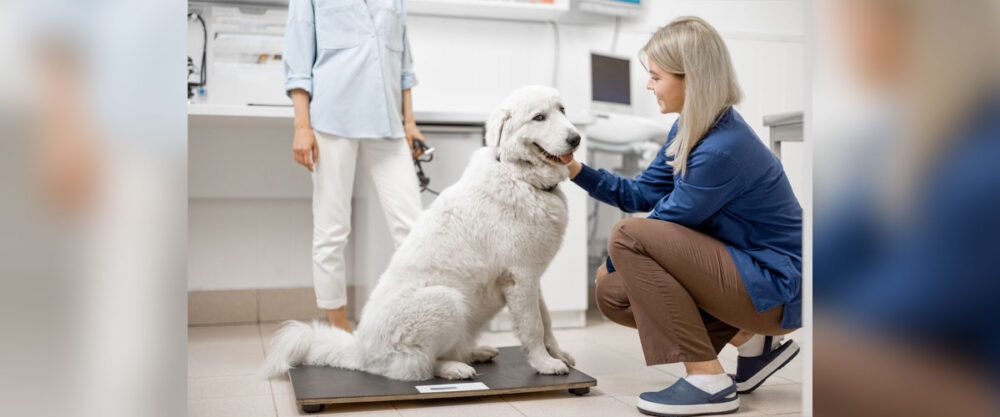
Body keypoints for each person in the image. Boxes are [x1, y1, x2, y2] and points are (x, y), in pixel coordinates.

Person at [566, 17, 802, 416]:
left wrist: (610, 261)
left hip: (778, 286)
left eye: (656, 77)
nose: (648, 86)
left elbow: (663, 223)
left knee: (626, 237)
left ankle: (708, 380)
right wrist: (574, 169)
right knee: (612, 295)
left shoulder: (723, 147)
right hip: (744, 274)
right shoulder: (689, 128)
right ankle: (750, 341)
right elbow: (640, 193)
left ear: (691, 79)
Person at [284, 0, 426, 332]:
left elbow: (403, 63)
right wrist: (302, 127)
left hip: (388, 123)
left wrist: (409, 122)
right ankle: (340, 329)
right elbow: (298, 63)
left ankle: (421, 319)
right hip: (332, 121)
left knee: (415, 229)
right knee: (332, 230)